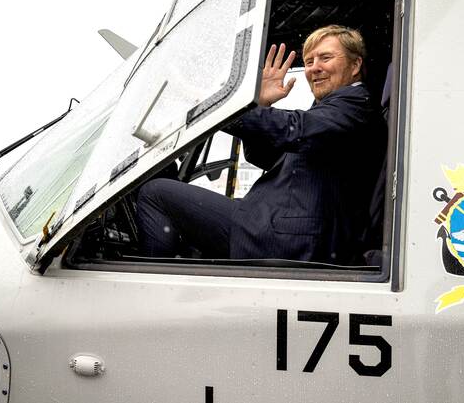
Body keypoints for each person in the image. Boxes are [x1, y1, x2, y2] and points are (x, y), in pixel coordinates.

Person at [135, 25, 386, 264]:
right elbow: (268, 157)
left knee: (155, 194)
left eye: (325, 58)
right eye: (309, 62)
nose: (314, 68)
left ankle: (148, 289)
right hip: (276, 227)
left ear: (355, 65)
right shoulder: (332, 110)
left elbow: (292, 129)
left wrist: (211, 103)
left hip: (285, 238)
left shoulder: (355, 104)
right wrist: (263, 105)